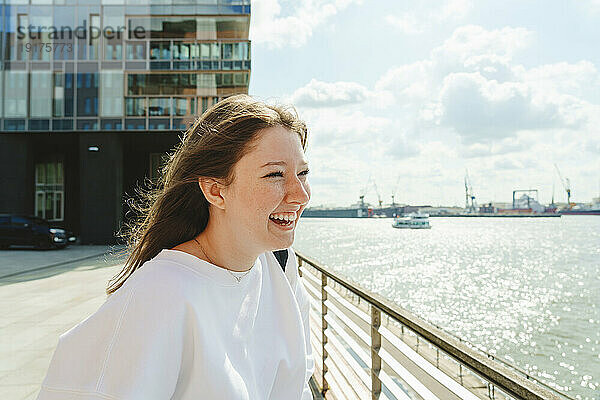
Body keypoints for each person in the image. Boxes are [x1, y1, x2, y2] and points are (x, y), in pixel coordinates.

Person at [36, 95, 315, 400]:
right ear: (215, 190)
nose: (300, 195)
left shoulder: (279, 265)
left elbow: (300, 378)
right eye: (274, 174)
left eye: (303, 173)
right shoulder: (160, 292)